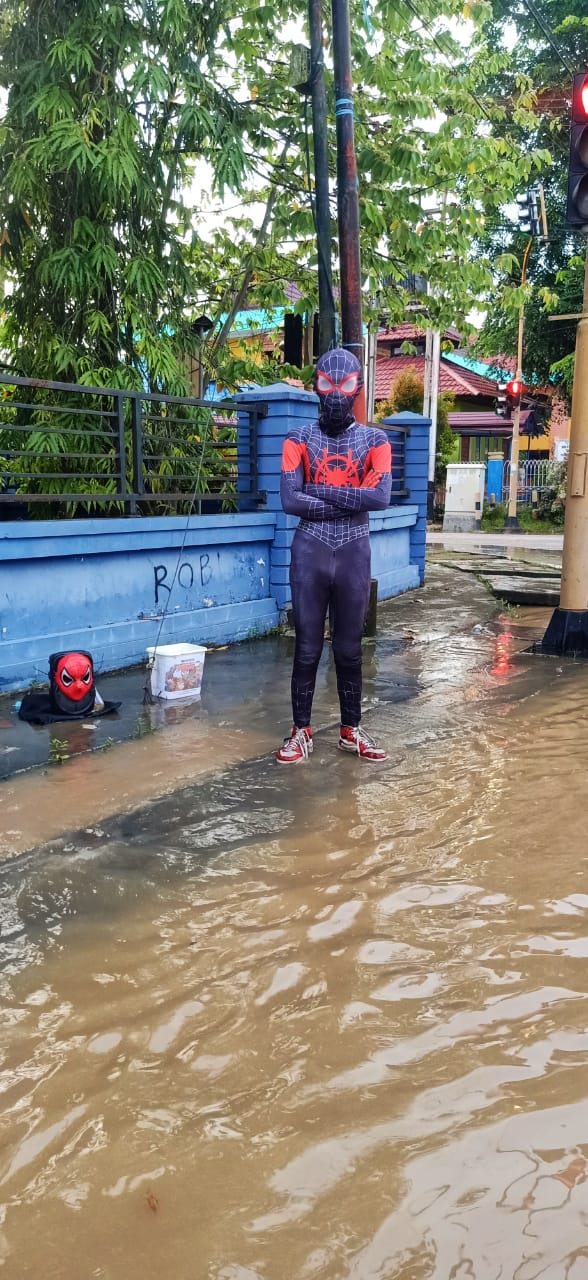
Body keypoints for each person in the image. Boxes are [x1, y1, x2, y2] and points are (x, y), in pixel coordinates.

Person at [276, 347, 392, 764]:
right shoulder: (298, 439)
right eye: (328, 384)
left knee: (348, 647)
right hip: (311, 549)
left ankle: (350, 729)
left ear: (358, 388)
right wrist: (349, 499)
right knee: (307, 646)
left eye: (345, 385)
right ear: (316, 388)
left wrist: (318, 491)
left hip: (353, 551)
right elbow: (290, 499)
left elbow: (379, 497)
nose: (337, 394)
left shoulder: (375, 440)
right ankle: (300, 730)